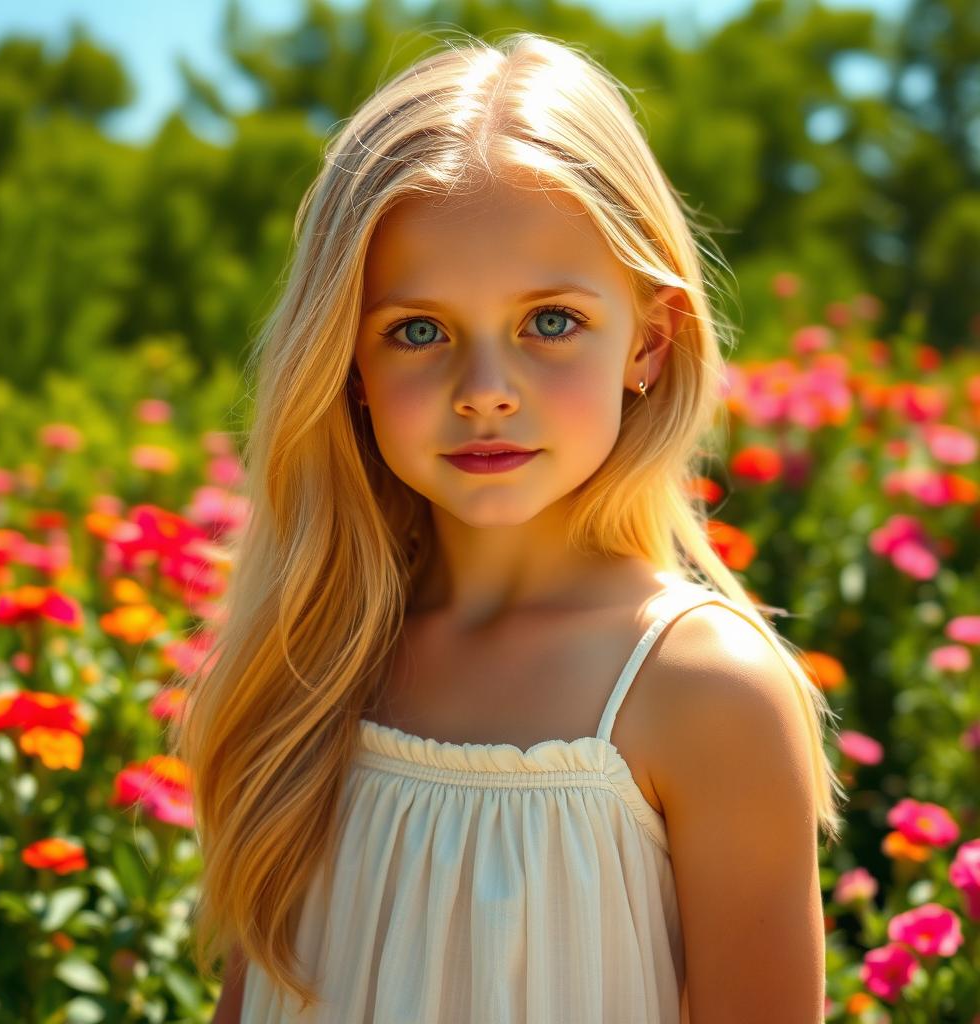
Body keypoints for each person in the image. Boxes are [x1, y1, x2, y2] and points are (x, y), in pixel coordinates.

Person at [173, 29, 848, 1024]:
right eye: (417, 331)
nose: (485, 392)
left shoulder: (702, 691)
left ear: (648, 343)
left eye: (549, 322)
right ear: (346, 364)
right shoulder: (313, 661)